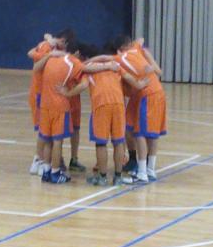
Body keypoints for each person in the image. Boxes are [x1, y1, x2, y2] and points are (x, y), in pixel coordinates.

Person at [58, 44, 149, 186]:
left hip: (102, 105)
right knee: (118, 141)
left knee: (101, 143)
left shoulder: (89, 69)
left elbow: (82, 85)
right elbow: (131, 80)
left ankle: (102, 177)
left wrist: (67, 94)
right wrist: (140, 85)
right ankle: (118, 177)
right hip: (118, 105)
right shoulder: (115, 66)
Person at [33, 40, 118, 184]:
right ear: (77, 53)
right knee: (57, 141)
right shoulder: (72, 62)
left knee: (47, 141)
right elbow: (87, 71)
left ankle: (46, 171)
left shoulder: (52, 59)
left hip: (45, 105)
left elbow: (36, 67)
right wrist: (107, 66)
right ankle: (55, 172)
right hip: (59, 105)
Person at [113, 35, 166, 183]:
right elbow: (141, 39)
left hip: (147, 94)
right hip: (156, 92)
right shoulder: (136, 48)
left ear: (120, 49)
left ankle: (142, 172)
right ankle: (149, 169)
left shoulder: (120, 58)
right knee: (148, 132)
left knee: (141, 133)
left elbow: (105, 60)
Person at [27, 30, 74, 176]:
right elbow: (31, 54)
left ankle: (49, 161)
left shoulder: (57, 50)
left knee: (49, 132)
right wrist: (47, 43)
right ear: (59, 40)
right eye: (63, 42)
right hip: (40, 93)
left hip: (47, 94)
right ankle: (38, 160)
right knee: (44, 131)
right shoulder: (47, 48)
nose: (64, 46)